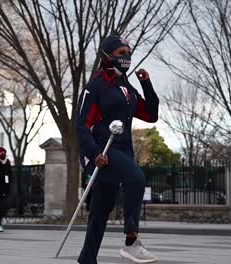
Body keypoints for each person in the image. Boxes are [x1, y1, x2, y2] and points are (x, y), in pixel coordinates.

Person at [76, 34, 159, 264]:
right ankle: (131, 242)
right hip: (104, 151)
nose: (127, 58)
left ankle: (87, 259)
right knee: (136, 179)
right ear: (107, 56)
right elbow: (81, 125)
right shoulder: (95, 87)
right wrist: (94, 154)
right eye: (121, 53)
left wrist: (146, 83)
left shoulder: (126, 87)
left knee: (100, 214)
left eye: (129, 53)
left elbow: (150, 114)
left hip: (124, 151)